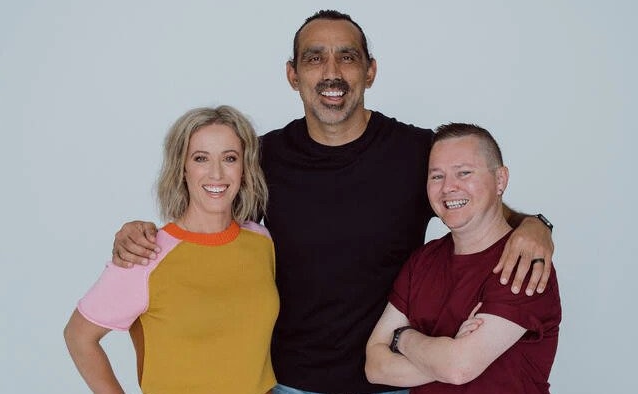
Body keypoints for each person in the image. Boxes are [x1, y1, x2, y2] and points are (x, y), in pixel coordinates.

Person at [110, 10, 556, 394]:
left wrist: (535, 225)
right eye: (314, 58)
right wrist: (141, 232)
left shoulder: (415, 152)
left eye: (347, 56)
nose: (332, 72)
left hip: (396, 381)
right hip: (289, 380)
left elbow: (470, 202)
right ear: (293, 74)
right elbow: (210, 229)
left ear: (370, 71)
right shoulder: (265, 158)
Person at [64, 106, 278, 394]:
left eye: (230, 158)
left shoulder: (261, 241)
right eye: (201, 158)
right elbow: (79, 336)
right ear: (182, 168)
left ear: (244, 167)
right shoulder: (146, 253)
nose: (216, 173)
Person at [365, 123, 561, 393]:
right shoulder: (423, 260)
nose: (448, 187)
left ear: (500, 180)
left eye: (464, 173)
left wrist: (403, 338)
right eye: (437, 176)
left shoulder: (524, 264)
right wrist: (446, 356)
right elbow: (375, 366)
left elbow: (458, 368)